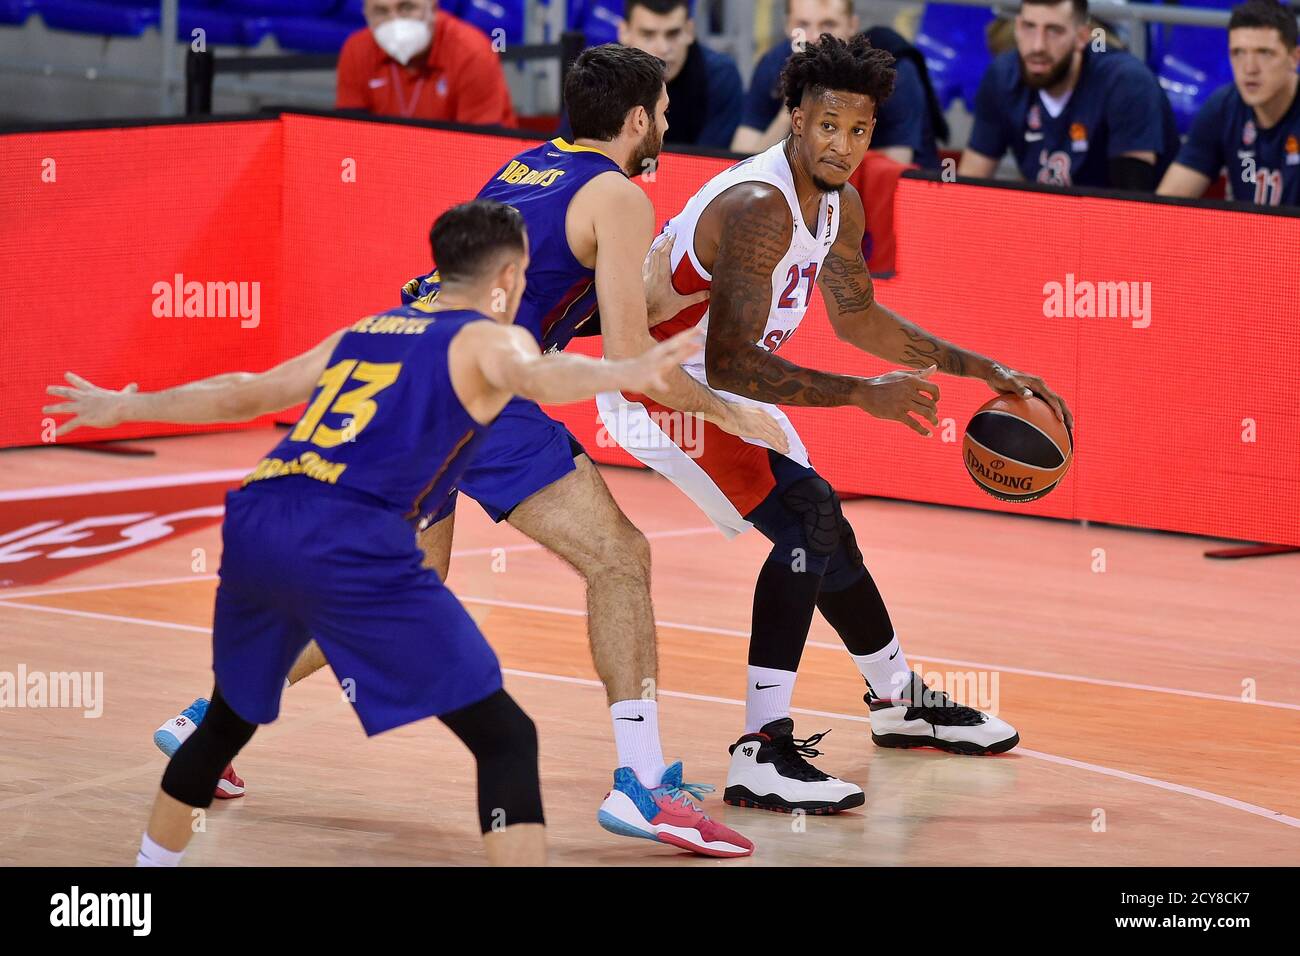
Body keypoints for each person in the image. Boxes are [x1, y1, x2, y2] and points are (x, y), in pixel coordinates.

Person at [51, 45, 782, 859]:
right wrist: (731, 413)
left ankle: (205, 722)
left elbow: (267, 383)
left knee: (411, 580)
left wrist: (131, 403)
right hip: (484, 389)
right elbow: (623, 346)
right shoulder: (617, 195)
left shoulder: (526, 165)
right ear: (639, 117)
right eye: (666, 109)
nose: (673, 122)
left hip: (407, 375)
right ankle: (643, 786)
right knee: (620, 557)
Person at [131, 200, 702, 867]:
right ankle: (637, 784)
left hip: (262, 519)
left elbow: (247, 392)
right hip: (348, 543)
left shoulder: (370, 327)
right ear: (512, 276)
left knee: (225, 724)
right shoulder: (492, 337)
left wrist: (126, 405)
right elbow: (542, 375)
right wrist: (622, 372)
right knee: (507, 738)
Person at [596, 35, 1074, 813]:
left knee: (825, 528)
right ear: (794, 116)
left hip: (713, 378)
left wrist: (980, 368)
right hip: (659, 388)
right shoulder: (756, 207)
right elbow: (735, 364)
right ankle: (762, 751)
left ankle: (897, 700)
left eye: (859, 131)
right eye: (827, 126)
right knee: (808, 520)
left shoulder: (838, 202)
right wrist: (862, 397)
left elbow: (857, 318)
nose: (843, 146)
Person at [959, 0, 1179, 190]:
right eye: (1029, 27)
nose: (1038, 46)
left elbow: (1132, 204)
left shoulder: (1126, 82)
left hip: (1114, 227)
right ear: (1016, 27)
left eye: (1054, 30)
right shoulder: (1002, 75)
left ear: (1082, 36)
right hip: (1047, 223)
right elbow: (969, 182)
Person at [731, 0, 942, 168]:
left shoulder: (894, 73)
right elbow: (740, 165)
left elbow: (891, 173)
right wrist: (790, 110)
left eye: (828, 25)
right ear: (787, 26)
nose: (814, 37)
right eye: (802, 25)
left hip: (907, 203)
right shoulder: (774, 63)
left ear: (852, 26)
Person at [1158, 0, 1300, 206]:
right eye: (1239, 53)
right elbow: (1165, 205)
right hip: (1245, 235)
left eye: (1265, 53)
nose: (1250, 68)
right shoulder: (1223, 106)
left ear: (1295, 58)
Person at [336, 0, 517, 127]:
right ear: (366, 14)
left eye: (407, 7)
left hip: (462, 164)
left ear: (432, 6)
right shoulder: (356, 49)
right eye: (381, 11)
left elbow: (482, 146)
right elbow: (352, 135)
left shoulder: (472, 52)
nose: (395, 21)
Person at [619, 0, 743, 148]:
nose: (663, 48)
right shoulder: (601, 77)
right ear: (624, 32)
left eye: (673, 34)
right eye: (648, 34)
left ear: (690, 31)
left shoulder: (720, 76)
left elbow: (711, 161)